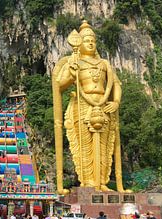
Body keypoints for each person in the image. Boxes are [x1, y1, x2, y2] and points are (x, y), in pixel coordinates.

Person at [52, 20, 126, 192]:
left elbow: (116, 84)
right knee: (85, 146)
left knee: (105, 146)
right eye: (87, 40)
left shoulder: (104, 64)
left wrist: (115, 102)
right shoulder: (74, 62)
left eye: (93, 40)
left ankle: (102, 182)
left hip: (104, 105)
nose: (91, 43)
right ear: (80, 43)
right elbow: (60, 85)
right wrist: (72, 71)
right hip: (83, 106)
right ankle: (88, 182)